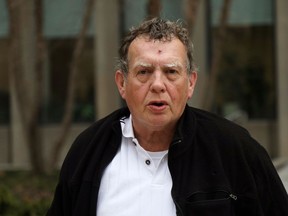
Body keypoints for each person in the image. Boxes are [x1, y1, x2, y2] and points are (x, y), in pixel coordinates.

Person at [47, 17, 288, 216]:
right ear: (122, 83)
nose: (158, 85)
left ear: (191, 83)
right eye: (144, 72)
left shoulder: (235, 149)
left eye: (171, 72)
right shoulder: (88, 151)